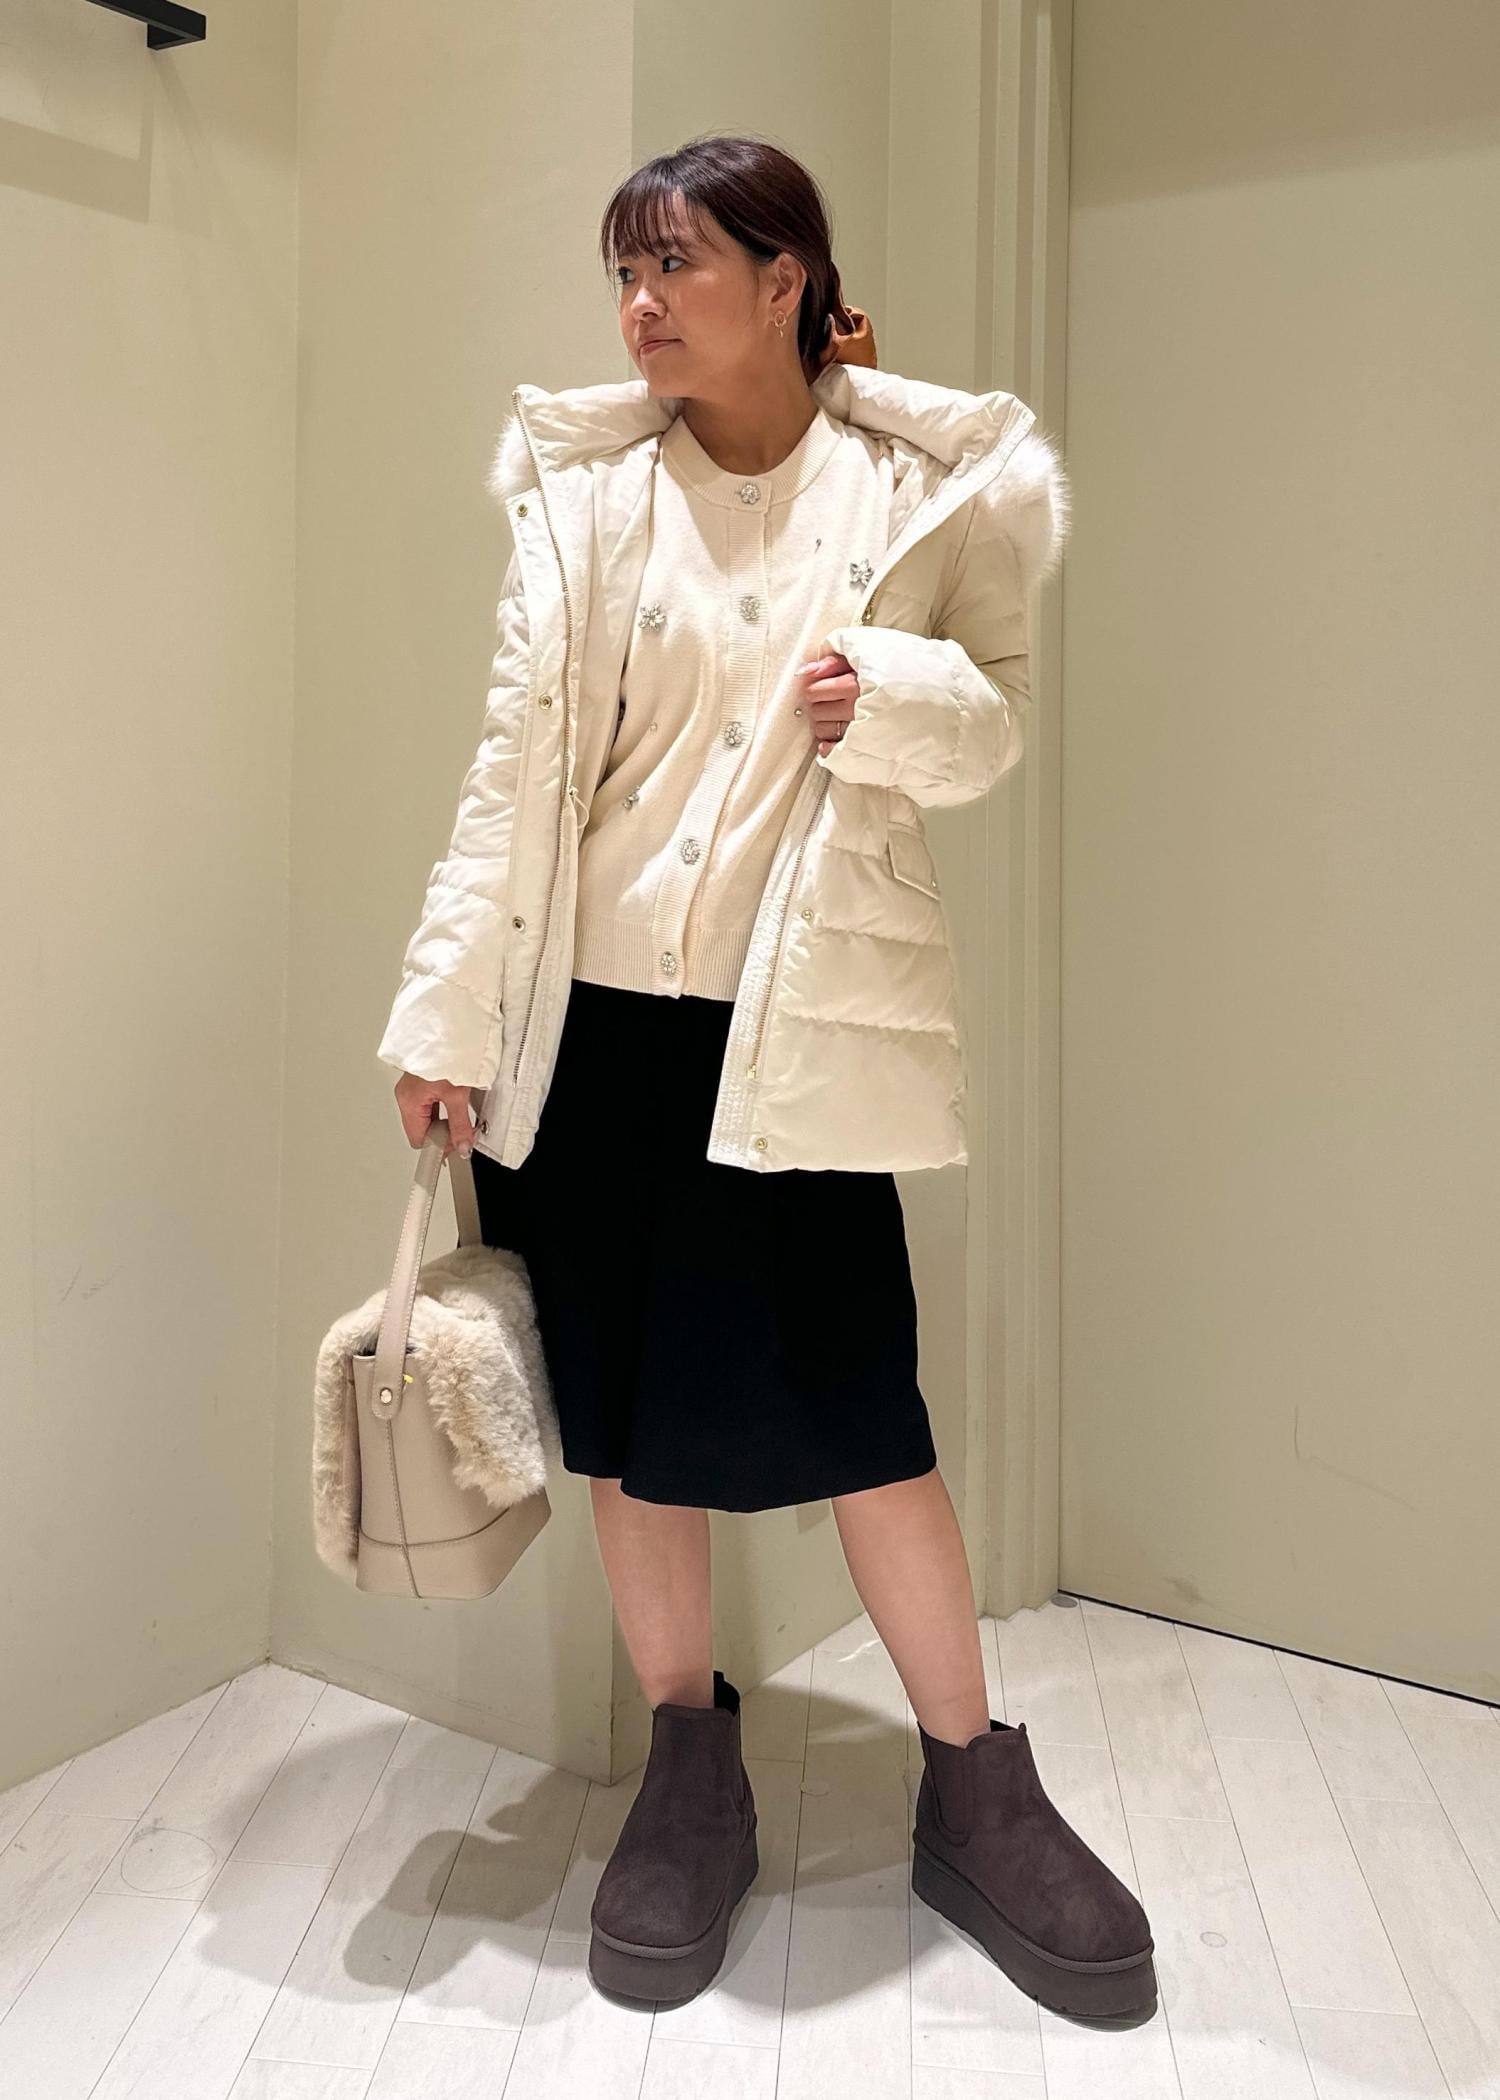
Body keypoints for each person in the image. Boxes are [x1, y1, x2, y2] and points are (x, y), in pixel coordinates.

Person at [377, 134, 1155, 2022]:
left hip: (790, 1034)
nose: (639, 305)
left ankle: (976, 1784)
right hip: (588, 1034)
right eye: (623, 273)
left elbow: (996, 722)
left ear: (786, 278)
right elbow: (509, 782)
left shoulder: (917, 486)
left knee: (864, 1419)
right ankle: (689, 1768)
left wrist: (892, 699)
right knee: (631, 1429)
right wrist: (443, 1021)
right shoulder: (587, 500)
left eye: (676, 266)